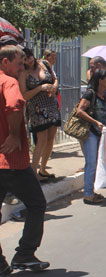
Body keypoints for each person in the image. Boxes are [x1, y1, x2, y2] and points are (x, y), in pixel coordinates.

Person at [0, 45, 49, 276]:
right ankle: (25, 255)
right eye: (19, 63)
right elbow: (15, 105)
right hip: (12, 162)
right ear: (5, 63)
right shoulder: (8, 82)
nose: (23, 68)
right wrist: (12, 134)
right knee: (37, 204)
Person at [76, 68, 106, 205]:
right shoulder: (90, 94)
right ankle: (88, 194)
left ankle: (91, 191)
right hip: (90, 132)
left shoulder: (103, 95)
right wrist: (96, 122)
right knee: (91, 163)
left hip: (98, 133)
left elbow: (102, 115)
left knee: (95, 162)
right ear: (100, 81)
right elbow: (80, 111)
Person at [18, 47, 61, 182]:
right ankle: (33, 171)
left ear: (33, 55)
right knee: (41, 139)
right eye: (25, 60)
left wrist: (54, 87)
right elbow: (24, 95)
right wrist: (40, 88)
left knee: (50, 138)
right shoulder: (23, 73)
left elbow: (55, 79)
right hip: (37, 109)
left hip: (51, 105)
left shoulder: (45, 64)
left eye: (29, 57)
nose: (28, 61)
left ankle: (43, 168)